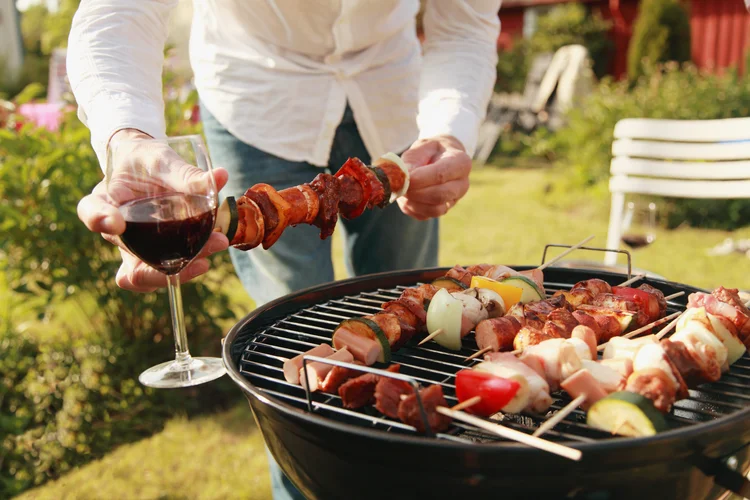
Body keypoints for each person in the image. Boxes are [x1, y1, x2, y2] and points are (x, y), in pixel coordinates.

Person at [68, 1, 501, 498]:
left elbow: (465, 22)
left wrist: (450, 127)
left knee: (419, 316)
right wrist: (126, 136)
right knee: (293, 356)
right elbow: (119, 11)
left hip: (394, 99)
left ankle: (409, 479)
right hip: (256, 103)